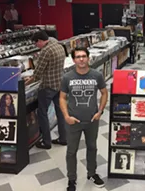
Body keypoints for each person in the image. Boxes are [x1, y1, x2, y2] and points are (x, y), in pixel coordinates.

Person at [59, 47, 108, 190]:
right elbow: (62, 97)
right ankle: (71, 179)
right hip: (73, 120)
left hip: (92, 120)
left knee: (92, 147)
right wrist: (66, 116)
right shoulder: (67, 77)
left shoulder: (96, 75)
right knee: (71, 151)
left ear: (88, 58)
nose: (81, 59)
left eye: (84, 56)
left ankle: (92, 173)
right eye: (78, 57)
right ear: (73, 60)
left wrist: (100, 111)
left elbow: (104, 93)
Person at [25, 31, 67, 149]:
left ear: (40, 41)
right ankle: (63, 138)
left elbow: (37, 74)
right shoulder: (58, 45)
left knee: (42, 113)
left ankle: (46, 142)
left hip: (48, 86)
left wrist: (25, 83)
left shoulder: (45, 51)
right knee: (60, 112)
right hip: (59, 84)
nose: (36, 46)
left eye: (35, 43)